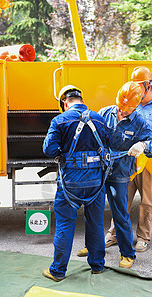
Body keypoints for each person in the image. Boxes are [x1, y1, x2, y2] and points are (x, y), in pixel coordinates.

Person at [77, 81, 152, 268]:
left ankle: (127, 254)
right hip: (98, 171)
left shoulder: (139, 123)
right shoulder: (105, 113)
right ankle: (92, 246)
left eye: (126, 110)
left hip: (119, 174)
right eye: (120, 109)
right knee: (92, 211)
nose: (121, 113)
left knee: (120, 214)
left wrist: (143, 145)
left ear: (135, 107)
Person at [105, 66, 152, 252]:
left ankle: (143, 237)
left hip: (149, 161)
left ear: (148, 85)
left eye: (139, 86)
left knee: (147, 201)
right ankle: (113, 234)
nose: (135, 90)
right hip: (128, 161)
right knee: (122, 199)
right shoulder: (131, 104)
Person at [42, 85, 111, 281]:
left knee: (65, 224)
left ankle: (57, 271)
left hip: (70, 183)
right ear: (81, 99)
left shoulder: (60, 120)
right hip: (96, 182)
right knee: (96, 224)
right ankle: (97, 266)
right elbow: (109, 146)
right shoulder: (99, 118)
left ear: (65, 103)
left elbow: (49, 150)